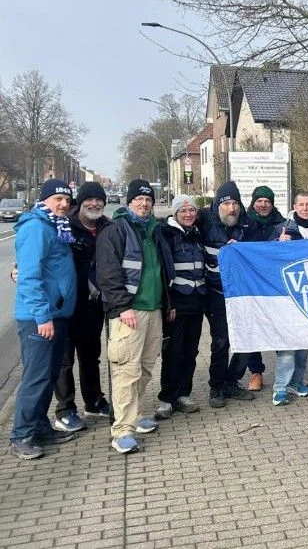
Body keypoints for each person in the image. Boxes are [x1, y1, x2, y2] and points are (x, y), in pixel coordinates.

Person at [96, 180, 171, 454]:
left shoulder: (153, 229)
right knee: (127, 370)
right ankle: (122, 430)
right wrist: (123, 306)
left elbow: (162, 270)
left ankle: (135, 415)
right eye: (139, 199)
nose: (144, 204)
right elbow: (108, 274)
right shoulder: (115, 231)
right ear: (129, 202)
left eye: (148, 200)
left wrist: (167, 303)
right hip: (129, 312)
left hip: (154, 310)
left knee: (146, 366)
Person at [9, 179, 77, 459]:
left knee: (48, 377)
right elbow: (29, 276)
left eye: (66, 199)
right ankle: (21, 435)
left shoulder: (56, 226)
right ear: (44, 200)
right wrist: (42, 316)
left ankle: (39, 427)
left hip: (56, 315)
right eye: (57, 199)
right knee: (35, 379)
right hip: (40, 318)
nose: (63, 204)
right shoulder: (36, 227)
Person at [51, 182, 111, 434]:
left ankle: (94, 401)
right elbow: (44, 255)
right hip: (65, 306)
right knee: (64, 360)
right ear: (81, 202)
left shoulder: (106, 227)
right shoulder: (64, 226)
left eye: (99, 200)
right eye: (90, 200)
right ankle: (65, 411)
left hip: (92, 305)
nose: (94, 204)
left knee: (90, 357)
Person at [199, 181, 256, 408]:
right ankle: (216, 386)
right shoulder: (204, 221)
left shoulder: (247, 225)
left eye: (235, 203)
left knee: (246, 339)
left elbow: (264, 247)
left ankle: (232, 381)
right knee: (221, 341)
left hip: (241, 294)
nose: (231, 209)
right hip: (215, 292)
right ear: (217, 205)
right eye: (226, 204)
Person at [268, 191, 308, 406]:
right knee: (287, 344)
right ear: (294, 205)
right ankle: (280, 387)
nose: (305, 208)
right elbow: (266, 255)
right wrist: (276, 242)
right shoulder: (281, 227)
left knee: (304, 341)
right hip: (287, 293)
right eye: (301, 204)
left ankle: (296, 381)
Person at [154, 195, 206, 420]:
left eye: (192, 210)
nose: (188, 214)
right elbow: (164, 271)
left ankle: (184, 393)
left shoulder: (196, 233)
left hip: (197, 301)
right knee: (173, 351)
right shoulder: (166, 234)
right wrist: (169, 303)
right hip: (177, 303)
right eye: (183, 211)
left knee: (191, 351)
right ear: (175, 213)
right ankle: (167, 397)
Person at [240, 185, 296, 392]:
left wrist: (289, 242)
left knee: (282, 329)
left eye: (267, 201)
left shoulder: (284, 224)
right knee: (253, 330)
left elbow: (296, 252)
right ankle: (256, 372)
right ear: (253, 203)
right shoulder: (243, 223)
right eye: (259, 201)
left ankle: (290, 374)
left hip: (277, 286)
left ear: (272, 204)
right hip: (252, 286)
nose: (263, 205)